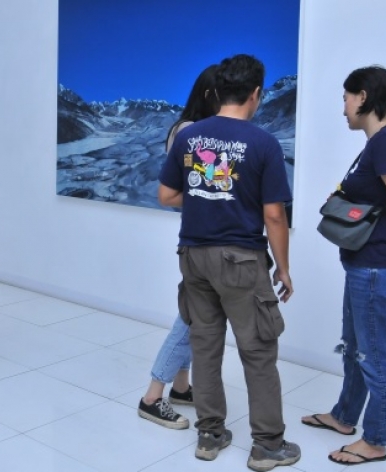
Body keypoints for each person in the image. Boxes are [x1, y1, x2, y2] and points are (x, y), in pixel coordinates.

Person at [158, 54, 301, 471]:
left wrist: (207, 195)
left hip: (193, 257)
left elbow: (167, 196)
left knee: (205, 346)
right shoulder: (263, 143)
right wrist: (284, 267)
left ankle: (210, 434)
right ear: (256, 94)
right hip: (241, 259)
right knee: (258, 351)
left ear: (218, 91)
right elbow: (274, 215)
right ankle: (268, 446)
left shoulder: (190, 137)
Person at [301, 66, 386, 466]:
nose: (343, 108)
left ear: (363, 97)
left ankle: (375, 440)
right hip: (366, 266)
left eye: (346, 98)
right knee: (356, 350)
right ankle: (345, 417)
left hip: (379, 269)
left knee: (375, 357)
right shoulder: (377, 144)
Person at [138, 64, 219, 430]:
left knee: (194, 313)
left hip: (201, 236)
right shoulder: (190, 132)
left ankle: (182, 388)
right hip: (202, 238)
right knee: (190, 318)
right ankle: (152, 396)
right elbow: (197, 187)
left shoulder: (186, 128)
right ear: (209, 95)